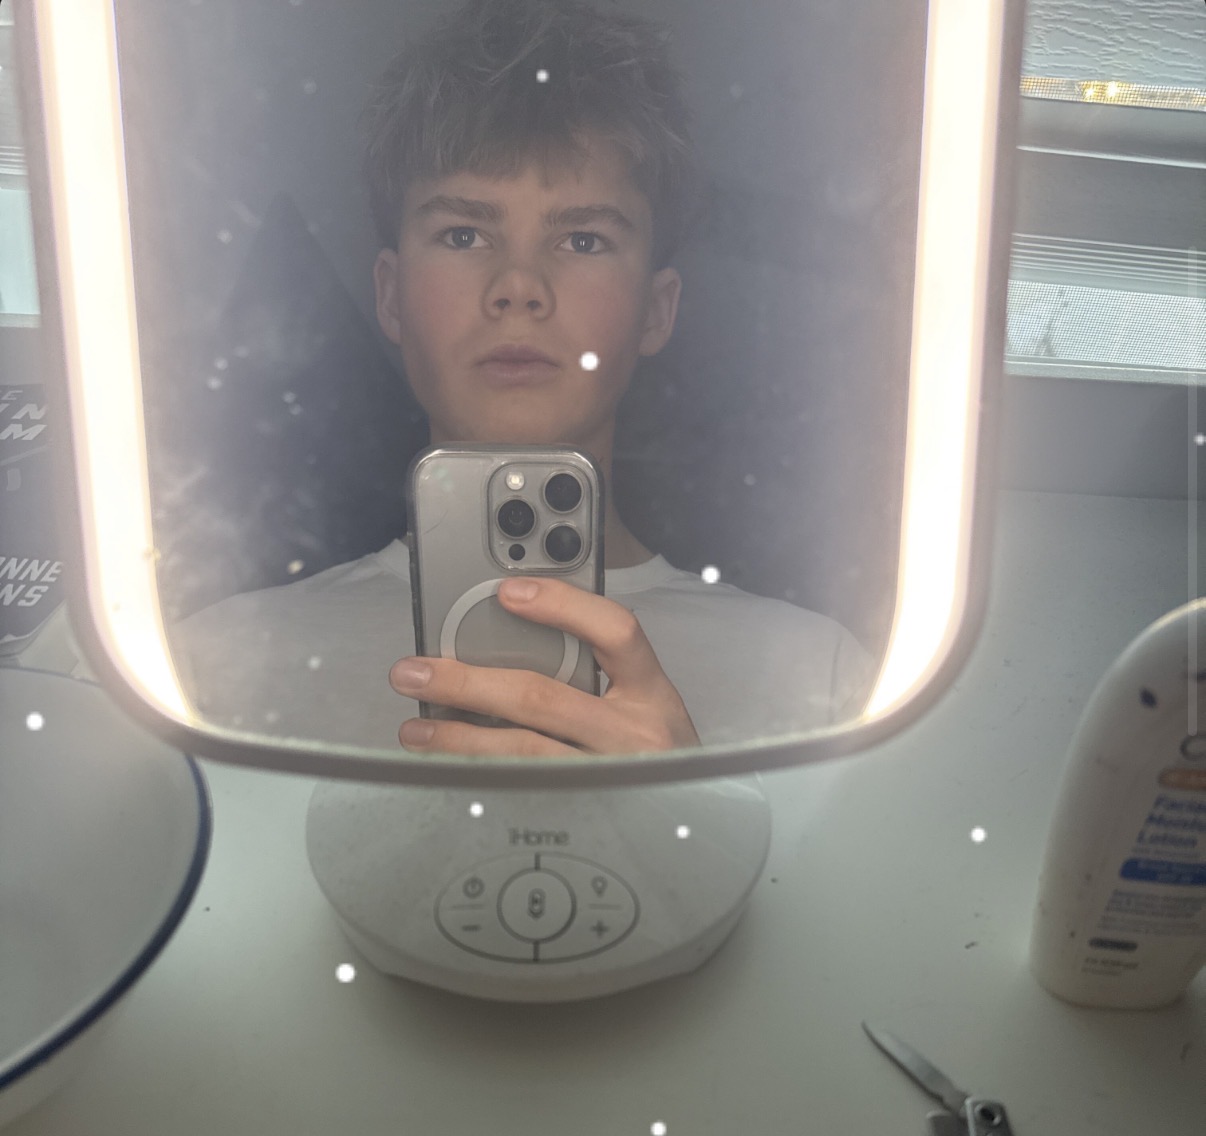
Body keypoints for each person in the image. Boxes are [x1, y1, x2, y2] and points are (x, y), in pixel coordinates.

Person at [175, 0, 872, 754]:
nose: (518, 286)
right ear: (391, 296)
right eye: (463, 233)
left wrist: (686, 801)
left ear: (655, 310)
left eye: (583, 239)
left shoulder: (823, 681)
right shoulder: (203, 672)